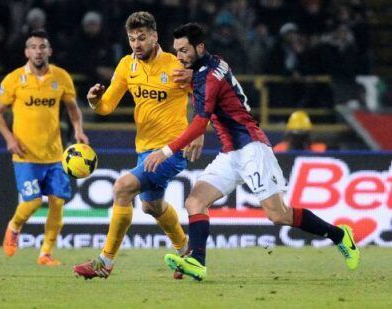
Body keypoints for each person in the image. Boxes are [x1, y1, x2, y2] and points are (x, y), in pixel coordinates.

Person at [144, 23, 359, 281]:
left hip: (251, 148)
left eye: (184, 50)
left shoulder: (208, 77)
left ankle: (339, 235)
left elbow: (201, 120)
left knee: (277, 214)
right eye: (176, 50)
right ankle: (197, 262)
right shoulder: (210, 66)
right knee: (195, 201)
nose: (179, 56)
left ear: (199, 47)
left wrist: (165, 152)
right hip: (230, 153)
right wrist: (192, 82)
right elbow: (208, 94)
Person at [73, 11, 204, 280]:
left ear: (155, 37)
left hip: (171, 149)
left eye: (142, 38)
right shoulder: (126, 66)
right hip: (144, 149)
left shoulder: (175, 65)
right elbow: (107, 106)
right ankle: (187, 255)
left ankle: (104, 262)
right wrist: (94, 101)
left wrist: (198, 133)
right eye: (132, 38)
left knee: (122, 188)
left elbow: (202, 97)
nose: (136, 43)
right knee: (151, 206)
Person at [0, 30, 88, 266]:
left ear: (49, 51)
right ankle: (14, 226)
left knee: (57, 202)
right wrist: (9, 139)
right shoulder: (13, 79)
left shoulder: (61, 77)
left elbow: (73, 109)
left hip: (55, 154)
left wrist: (78, 130)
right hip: (25, 155)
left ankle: (45, 254)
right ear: (26, 52)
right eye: (33, 47)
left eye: (42, 46)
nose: (38, 51)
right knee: (33, 202)